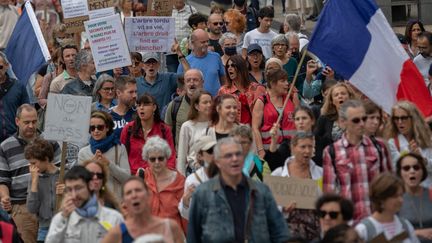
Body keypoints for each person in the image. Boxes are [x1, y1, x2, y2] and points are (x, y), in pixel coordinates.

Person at [187, 137, 290, 242]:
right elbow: (193, 237)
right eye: (228, 156)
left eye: (238, 154)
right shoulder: (202, 194)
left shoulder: (261, 191)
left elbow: (280, 233)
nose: (235, 159)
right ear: (217, 162)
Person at [323, 99, 392, 224]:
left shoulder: (379, 147)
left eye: (364, 119)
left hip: (377, 222)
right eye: (356, 120)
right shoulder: (331, 151)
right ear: (343, 122)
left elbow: (388, 187)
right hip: (348, 224)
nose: (361, 123)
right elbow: (329, 194)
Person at [0, 104, 61, 243]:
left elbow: (61, 170)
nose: (31, 126)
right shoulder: (5, 147)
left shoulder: (50, 141)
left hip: (50, 204)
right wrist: (5, 197)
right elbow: (2, 180)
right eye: (26, 122)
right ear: (17, 121)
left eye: (34, 121)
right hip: (22, 207)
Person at [45, 166, 124, 243]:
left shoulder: (114, 218)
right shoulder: (60, 219)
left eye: (78, 188)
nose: (74, 195)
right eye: (69, 189)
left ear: (91, 185)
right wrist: (63, 219)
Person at [101, 177, 185, 243]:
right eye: (129, 193)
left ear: (148, 195)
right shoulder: (116, 234)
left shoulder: (171, 227)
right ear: (124, 201)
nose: (134, 195)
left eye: (138, 190)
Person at [271, 132, 321, 241]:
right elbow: (267, 206)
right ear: (293, 148)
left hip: (314, 235)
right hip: (285, 234)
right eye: (303, 147)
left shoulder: (321, 173)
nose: (307, 151)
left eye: (310, 146)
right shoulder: (278, 175)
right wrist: (283, 208)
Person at [78, 111, 130, 198]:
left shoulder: (119, 148)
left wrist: (109, 164)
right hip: (92, 201)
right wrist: (92, 164)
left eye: (100, 127)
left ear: (107, 128)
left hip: (115, 202)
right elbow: (80, 181)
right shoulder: (83, 152)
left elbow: (127, 178)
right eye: (92, 128)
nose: (96, 131)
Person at [355, 173, 420, 243]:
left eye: (401, 195)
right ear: (381, 199)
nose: (401, 200)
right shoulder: (364, 230)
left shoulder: (405, 225)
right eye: (395, 196)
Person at [120, 94, 176, 175]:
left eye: (145, 104)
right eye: (139, 105)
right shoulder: (128, 129)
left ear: (154, 107)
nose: (141, 108)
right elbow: (122, 157)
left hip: (158, 177)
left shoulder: (164, 130)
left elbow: (171, 157)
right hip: (133, 177)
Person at [141, 136, 187, 233]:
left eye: (161, 158)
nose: (157, 162)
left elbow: (185, 216)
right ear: (147, 160)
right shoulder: (143, 177)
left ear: (167, 157)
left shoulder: (179, 181)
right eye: (152, 159)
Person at [25, 138, 64, 243]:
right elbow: (31, 209)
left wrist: (67, 191)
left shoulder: (64, 174)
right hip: (44, 228)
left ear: (46, 159)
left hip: (64, 226)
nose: (31, 167)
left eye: (34, 163)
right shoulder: (34, 177)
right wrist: (34, 182)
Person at [252, 69, 297, 159]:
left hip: (292, 152)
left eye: (287, 80)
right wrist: (261, 152)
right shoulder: (262, 101)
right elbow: (255, 128)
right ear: (272, 83)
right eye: (282, 81)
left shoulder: (291, 98)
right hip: (270, 152)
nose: (287, 83)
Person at [385, 101, 432, 186]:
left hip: (428, 191)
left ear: (413, 119)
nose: (399, 122)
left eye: (404, 118)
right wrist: (410, 155)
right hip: (407, 192)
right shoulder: (392, 143)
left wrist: (424, 161)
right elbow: (395, 170)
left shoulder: (428, 139)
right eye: (396, 118)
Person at [314, 82, 356, 166]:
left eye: (343, 93)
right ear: (332, 101)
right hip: (329, 164)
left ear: (350, 97)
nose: (340, 96)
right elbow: (315, 141)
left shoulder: (359, 118)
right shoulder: (324, 119)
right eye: (336, 95)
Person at [218, 55, 266, 125]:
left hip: (255, 129)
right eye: (228, 66)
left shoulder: (257, 88)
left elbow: (264, 113)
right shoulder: (223, 91)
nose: (229, 68)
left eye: (233, 66)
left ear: (241, 67)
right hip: (233, 130)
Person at [177, 29, 227, 97]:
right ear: (193, 42)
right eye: (202, 42)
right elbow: (181, 86)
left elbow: (223, 80)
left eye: (207, 41)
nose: (206, 44)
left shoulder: (216, 57)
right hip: (196, 103)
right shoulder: (185, 62)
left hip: (216, 102)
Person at [266, 105, 316, 170]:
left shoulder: (323, 142)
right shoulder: (287, 145)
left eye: (304, 118)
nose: (300, 122)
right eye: (297, 119)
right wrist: (273, 141)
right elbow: (274, 167)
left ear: (312, 121)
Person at [178, 135, 217, 220]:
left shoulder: (229, 174)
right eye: (210, 151)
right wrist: (185, 202)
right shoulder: (192, 180)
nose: (215, 153)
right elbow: (188, 216)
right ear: (200, 156)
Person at [396, 153, 432, 242]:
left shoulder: (430, 193)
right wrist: (417, 233)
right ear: (400, 172)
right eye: (406, 168)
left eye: (416, 168)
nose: (412, 171)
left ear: (423, 171)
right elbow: (389, 233)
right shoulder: (394, 198)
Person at [165, 69, 204, 146]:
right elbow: (167, 135)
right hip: (181, 156)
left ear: (202, 82)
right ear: (184, 84)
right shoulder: (174, 105)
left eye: (195, 80)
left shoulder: (211, 105)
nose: (191, 83)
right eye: (188, 80)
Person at [177, 90, 212, 175]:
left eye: (211, 102)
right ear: (196, 106)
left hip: (213, 171)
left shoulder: (217, 124)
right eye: (205, 102)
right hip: (194, 172)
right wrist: (181, 180)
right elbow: (182, 156)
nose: (209, 105)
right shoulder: (187, 126)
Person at [0, 51, 29, 143]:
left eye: (0, 67)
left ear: (6, 66)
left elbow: (27, 112)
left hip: (15, 139)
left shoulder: (18, 87)